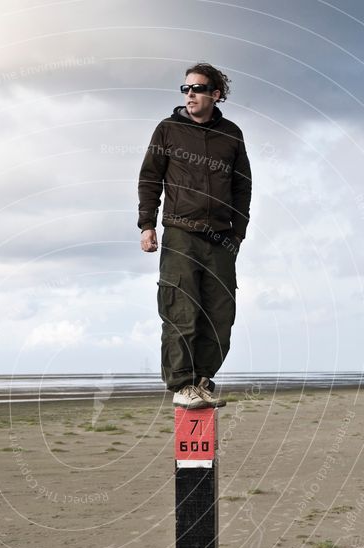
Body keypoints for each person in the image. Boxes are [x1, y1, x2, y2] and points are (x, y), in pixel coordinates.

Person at [138, 62, 252, 408]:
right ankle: (181, 385)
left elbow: (242, 187)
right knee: (180, 311)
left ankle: (202, 380)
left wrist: (238, 235)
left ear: (215, 95)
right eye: (186, 88)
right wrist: (147, 224)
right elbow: (149, 179)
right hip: (180, 233)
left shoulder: (231, 134)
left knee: (221, 315)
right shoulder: (168, 129)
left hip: (220, 239)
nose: (190, 94)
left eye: (198, 89)